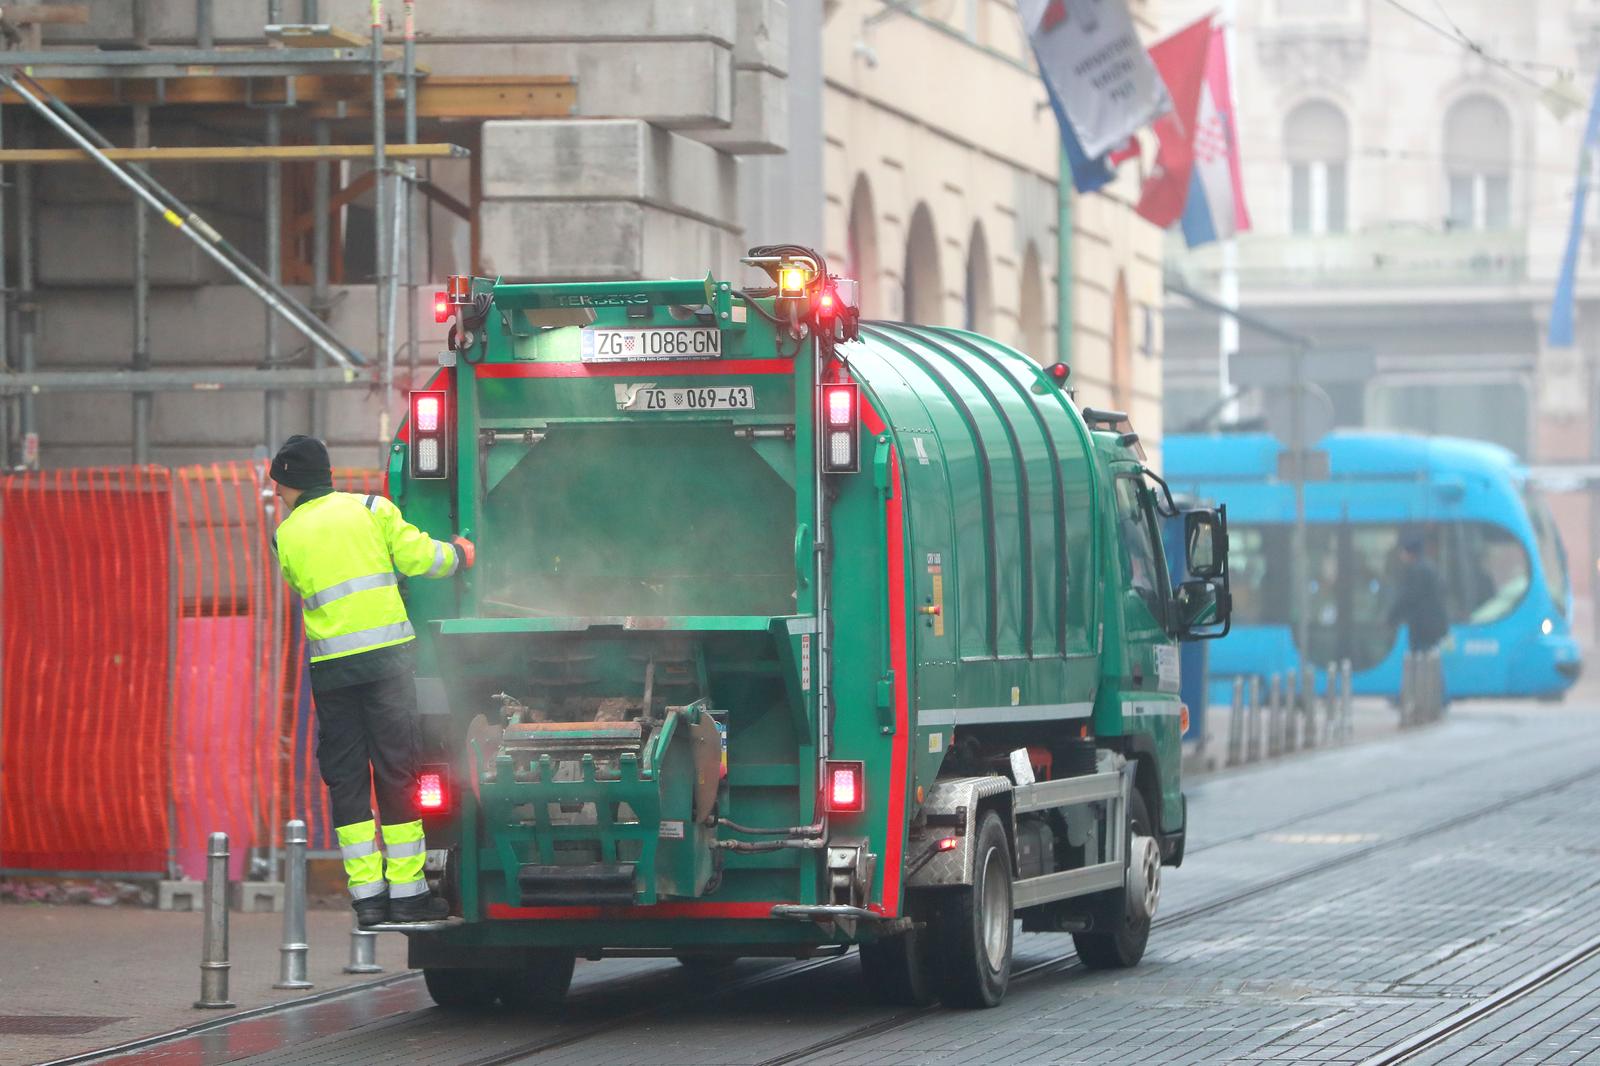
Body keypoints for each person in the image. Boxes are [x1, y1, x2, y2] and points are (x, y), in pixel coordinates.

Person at [269, 435, 475, 926]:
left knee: (347, 780)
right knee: (396, 772)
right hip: (386, 665)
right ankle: (408, 894)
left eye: (279, 485)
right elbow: (422, 559)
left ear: (292, 482)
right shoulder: (370, 509)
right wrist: (460, 554)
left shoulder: (285, 536)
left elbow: (302, 585)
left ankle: (368, 898)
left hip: (332, 672)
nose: (277, 493)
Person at [1387, 532, 1449, 654]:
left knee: (1421, 658)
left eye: (1403, 552)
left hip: (1423, 628)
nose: (1401, 556)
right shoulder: (1429, 568)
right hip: (1432, 627)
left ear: (1409, 553)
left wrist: (1391, 618)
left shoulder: (1417, 571)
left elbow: (1407, 597)